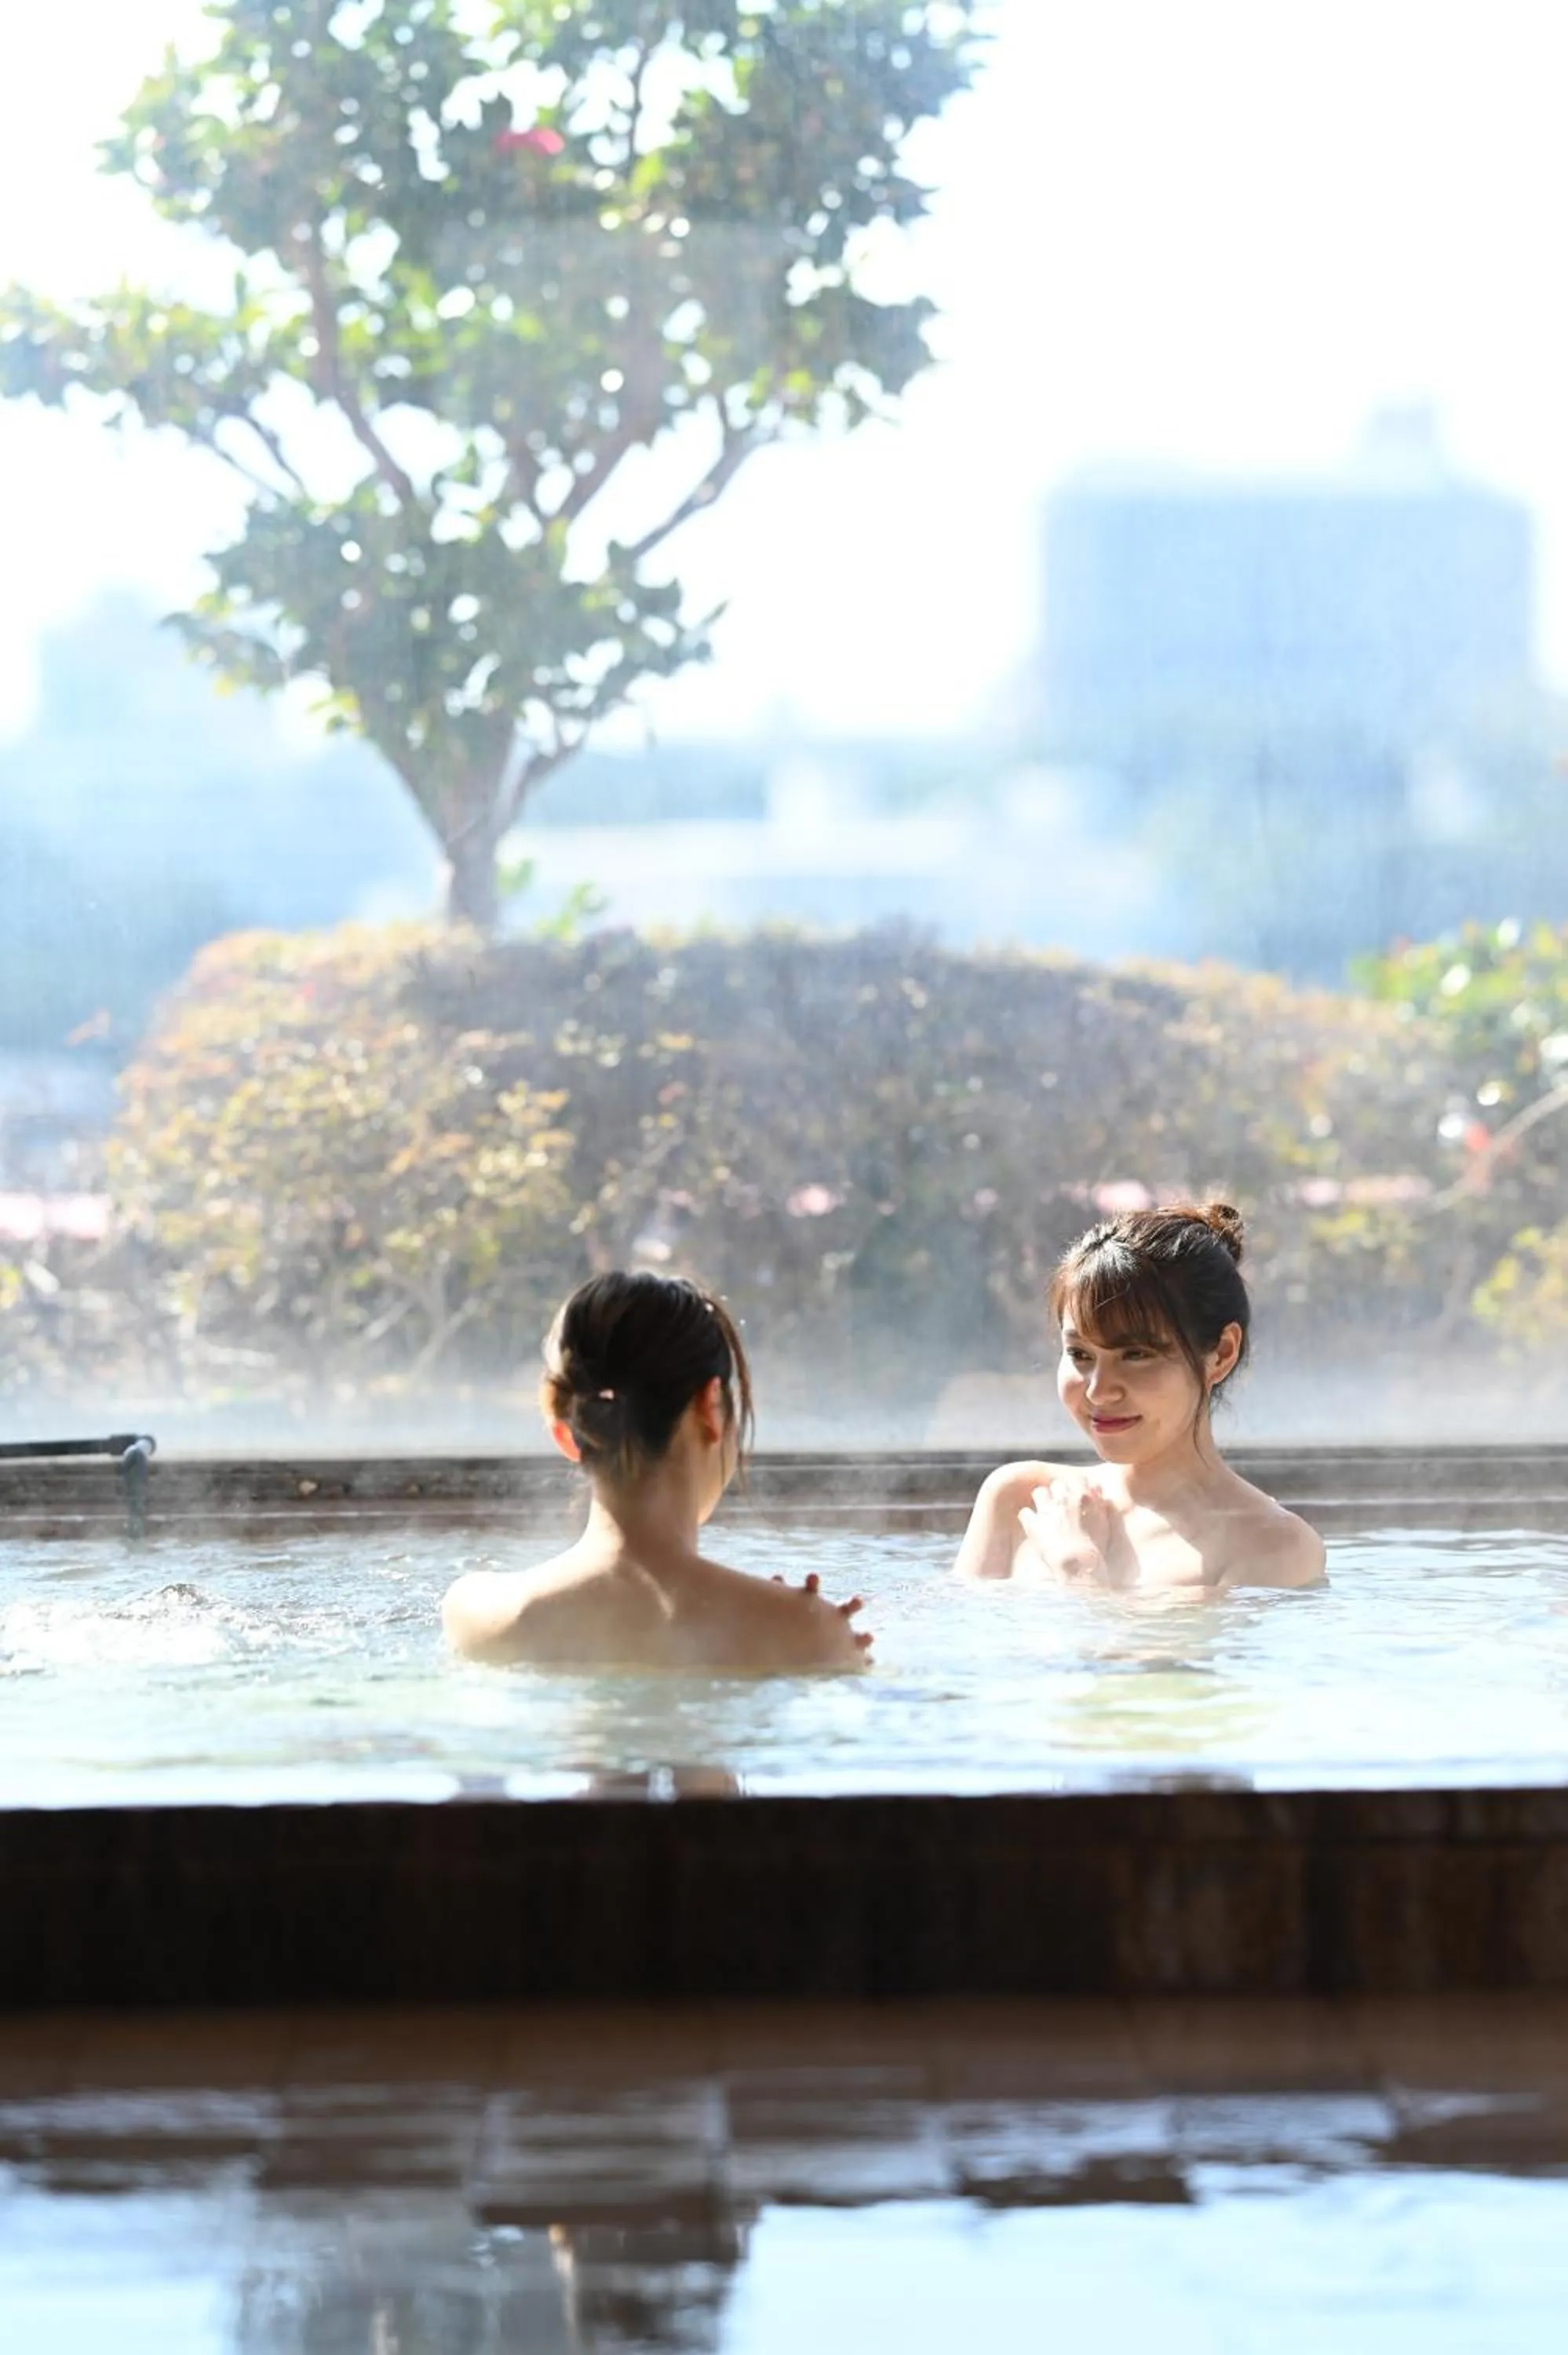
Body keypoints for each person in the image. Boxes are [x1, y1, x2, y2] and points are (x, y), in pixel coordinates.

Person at [443, 1270, 873, 1670]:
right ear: (711, 1408)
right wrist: (781, 1615)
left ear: (567, 1434)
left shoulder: (477, 1612)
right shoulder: (806, 1633)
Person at [954, 1203, 1326, 1593]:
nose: (1099, 1390)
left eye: (1135, 1355)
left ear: (1221, 1353)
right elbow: (954, 1628)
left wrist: (1079, 1571)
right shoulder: (1022, 1498)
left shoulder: (1273, 1547)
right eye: (1080, 1354)